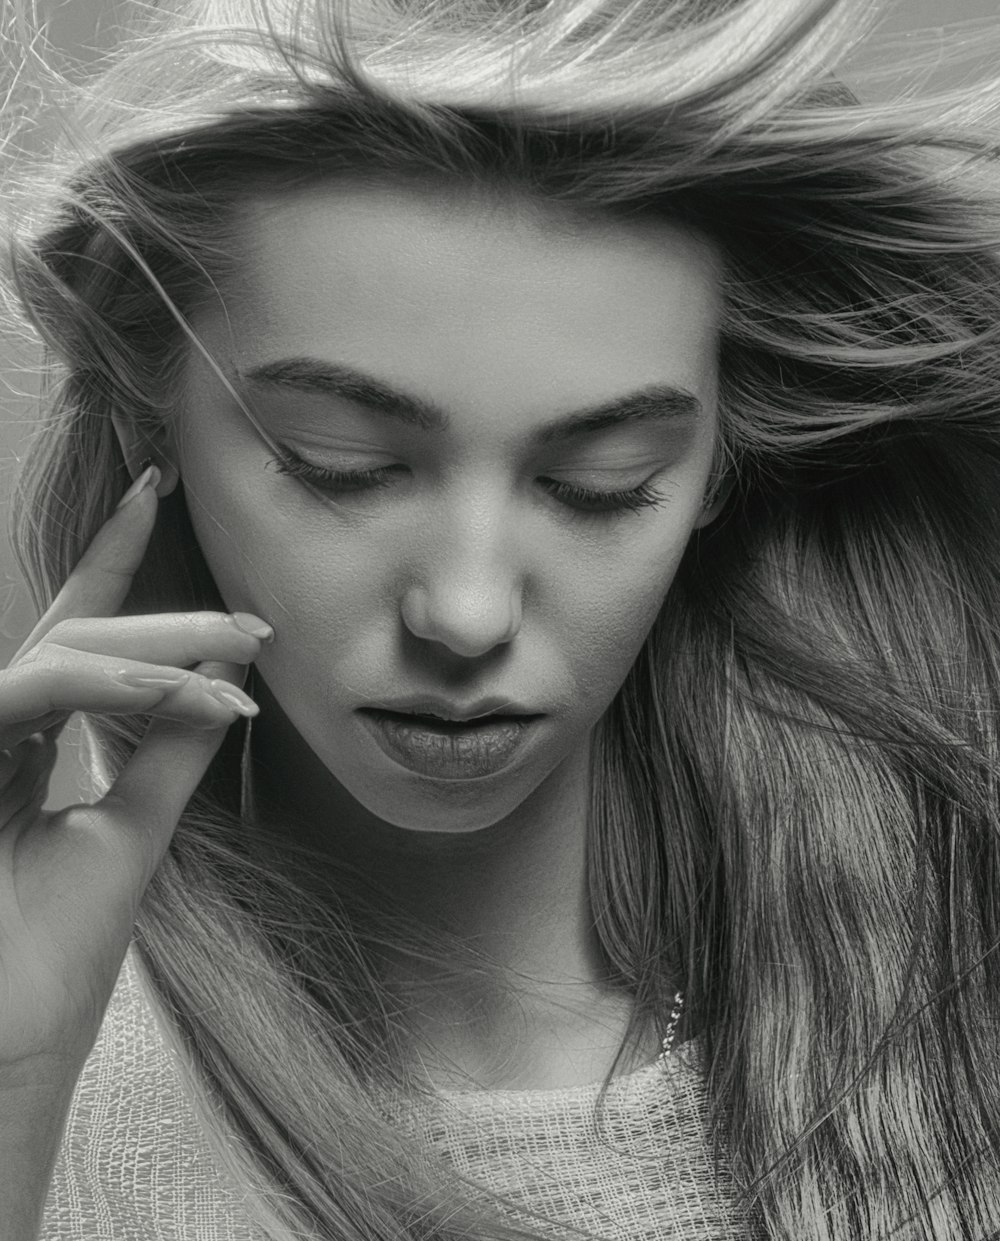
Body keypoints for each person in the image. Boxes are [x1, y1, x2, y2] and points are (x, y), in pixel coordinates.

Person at [1, 0, 1000, 1236]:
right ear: (155, 421)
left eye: (602, 481)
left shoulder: (955, 1054)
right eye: (341, 462)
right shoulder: (47, 1076)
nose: (466, 612)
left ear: (719, 470)